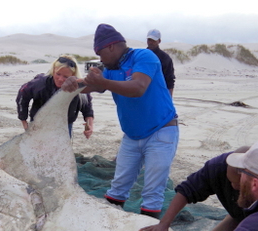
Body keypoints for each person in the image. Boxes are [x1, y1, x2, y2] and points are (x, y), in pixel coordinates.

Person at [62, 24, 179, 219]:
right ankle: (110, 228)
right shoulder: (110, 69)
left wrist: (104, 82)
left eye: (100, 53)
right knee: (117, 188)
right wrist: (72, 84)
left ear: (111, 47)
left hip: (161, 131)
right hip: (132, 136)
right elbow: (87, 87)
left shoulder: (144, 57)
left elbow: (138, 87)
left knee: (152, 192)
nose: (100, 59)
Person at [16, 55, 94, 139]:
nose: (60, 79)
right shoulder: (39, 83)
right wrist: (24, 121)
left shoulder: (79, 88)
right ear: (53, 70)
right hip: (39, 124)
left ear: (73, 75)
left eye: (65, 77)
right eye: (58, 74)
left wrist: (89, 126)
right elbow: (22, 94)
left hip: (64, 126)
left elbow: (87, 108)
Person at [146, 29, 175, 97]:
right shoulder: (141, 55)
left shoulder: (165, 58)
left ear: (159, 41)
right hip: (144, 93)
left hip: (159, 93)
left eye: (153, 40)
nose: (151, 42)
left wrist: (169, 99)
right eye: (149, 40)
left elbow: (170, 80)